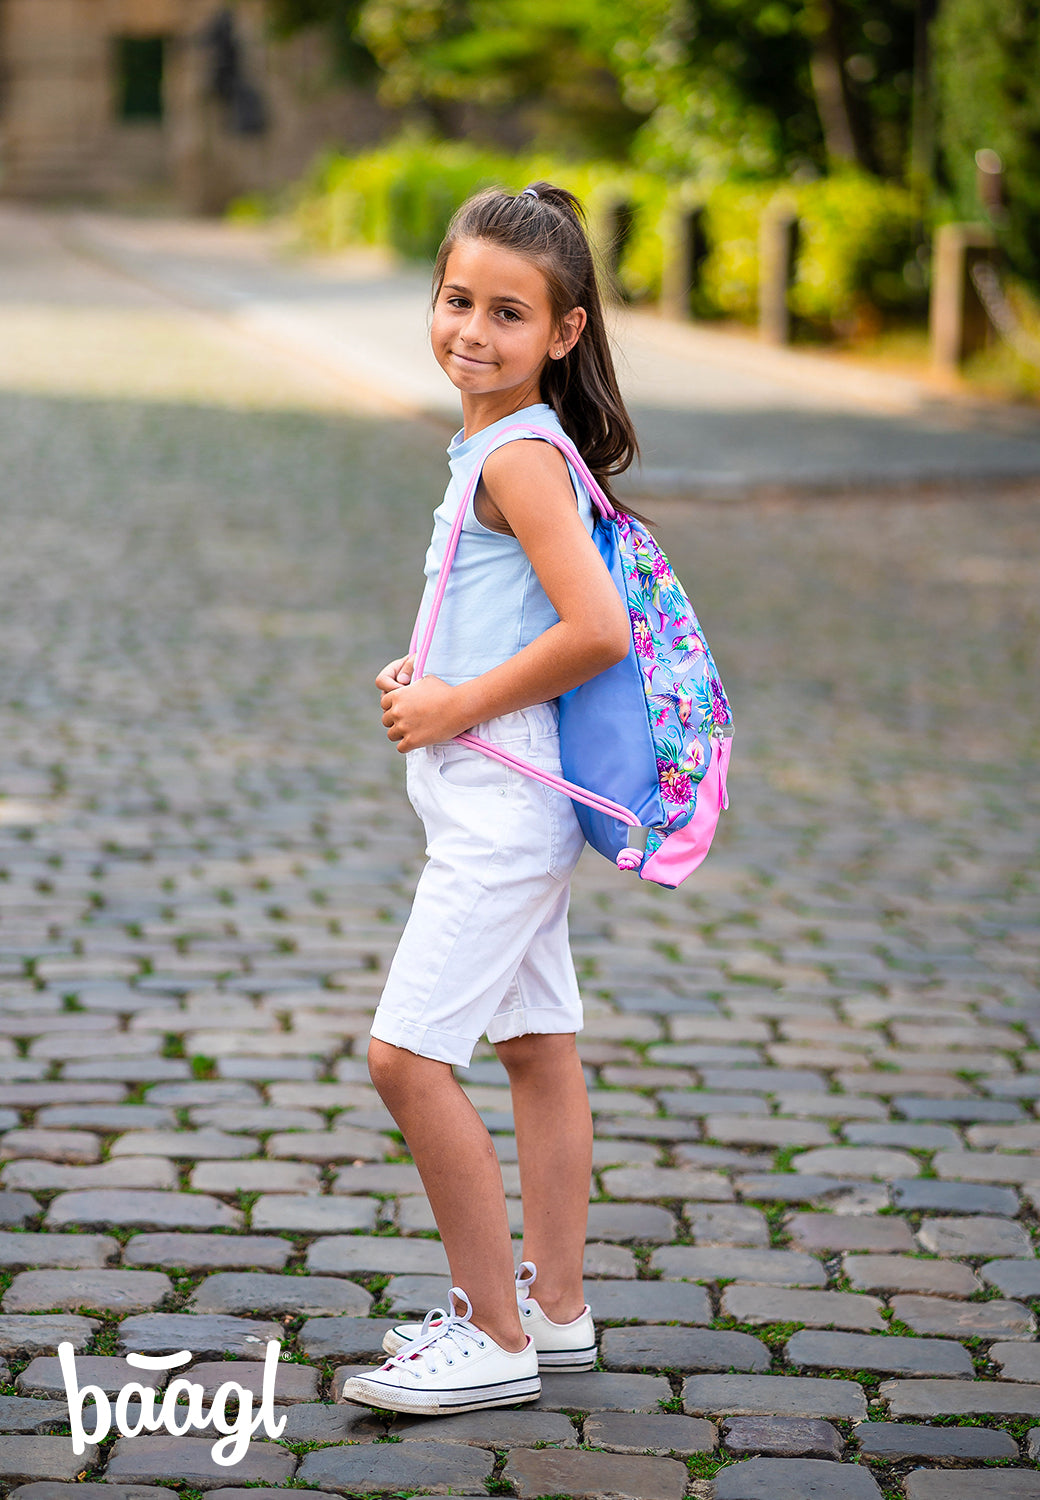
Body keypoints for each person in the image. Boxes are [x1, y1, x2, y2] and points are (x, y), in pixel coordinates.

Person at [341, 182, 638, 1417]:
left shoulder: (517, 454)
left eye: (507, 312)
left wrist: (458, 708)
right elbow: (516, 612)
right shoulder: (497, 445)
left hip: (502, 795)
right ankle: (557, 1311)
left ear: (562, 333)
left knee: (405, 1060)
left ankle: (490, 1332)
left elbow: (598, 630)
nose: (471, 328)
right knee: (533, 1046)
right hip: (495, 782)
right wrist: (438, 672)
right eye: (456, 299)